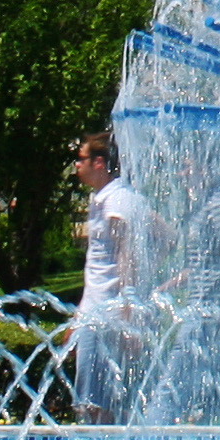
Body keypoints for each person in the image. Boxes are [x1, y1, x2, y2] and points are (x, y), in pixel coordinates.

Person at [71, 134, 153, 423]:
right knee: (98, 398)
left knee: (93, 403)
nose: (76, 165)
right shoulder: (112, 198)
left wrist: (127, 314)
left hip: (106, 316)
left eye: (80, 159)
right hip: (95, 313)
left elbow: (125, 257)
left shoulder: (116, 201)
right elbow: (167, 236)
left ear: (99, 163)